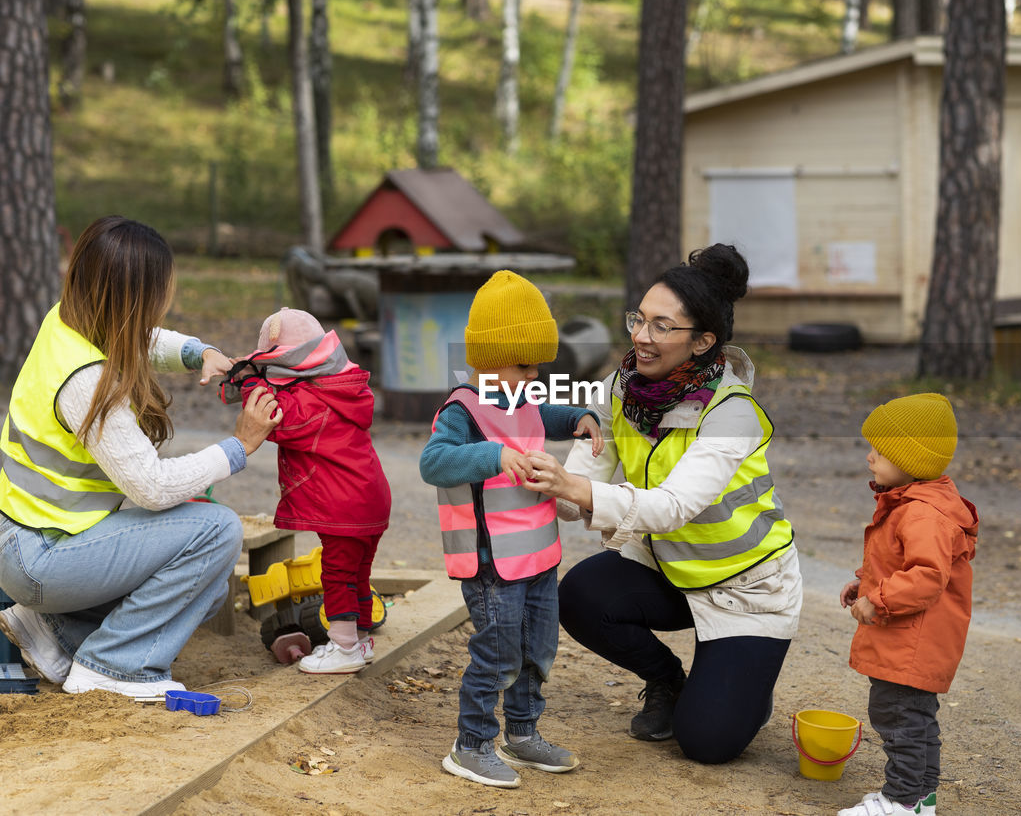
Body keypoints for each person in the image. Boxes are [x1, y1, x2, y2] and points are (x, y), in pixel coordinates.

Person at [523, 243, 802, 765]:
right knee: (583, 594)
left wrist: (573, 489)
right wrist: (534, 470)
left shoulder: (732, 412)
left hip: (743, 587)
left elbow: (673, 506)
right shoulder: (618, 389)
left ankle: (740, 686)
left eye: (660, 326)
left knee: (707, 744)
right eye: (639, 319)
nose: (640, 337)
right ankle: (669, 680)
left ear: (702, 341)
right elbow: (578, 484)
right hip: (671, 570)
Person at [0, 215, 281, 698]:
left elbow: (139, 337)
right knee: (217, 532)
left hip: (27, 539)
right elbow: (150, 488)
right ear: (135, 299)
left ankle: (55, 632)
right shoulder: (87, 381)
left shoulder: (66, 320)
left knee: (207, 586)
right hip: (39, 556)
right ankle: (113, 666)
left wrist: (197, 352)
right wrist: (240, 446)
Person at [419, 270, 602, 789]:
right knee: (498, 654)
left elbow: (542, 415)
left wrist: (578, 417)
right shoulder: (462, 411)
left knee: (537, 651)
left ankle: (521, 734)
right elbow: (434, 463)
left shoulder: (521, 399)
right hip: (491, 564)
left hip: (540, 558)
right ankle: (471, 745)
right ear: (488, 358)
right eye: (525, 364)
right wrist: (495, 455)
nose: (533, 374)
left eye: (538, 365)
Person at [220, 307, 392, 674]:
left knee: (337, 575)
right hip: (370, 500)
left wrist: (251, 382)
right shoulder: (338, 390)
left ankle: (344, 648)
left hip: (343, 506)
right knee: (357, 574)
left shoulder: (312, 402)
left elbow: (275, 419)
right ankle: (359, 641)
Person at [836, 393, 979, 816]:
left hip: (911, 641)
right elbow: (900, 562)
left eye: (879, 452)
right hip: (914, 639)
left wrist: (877, 600)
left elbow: (926, 577)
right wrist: (863, 582)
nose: (869, 457)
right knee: (915, 721)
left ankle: (900, 801)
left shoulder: (922, 514)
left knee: (900, 720)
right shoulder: (916, 503)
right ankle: (921, 800)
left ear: (910, 461)